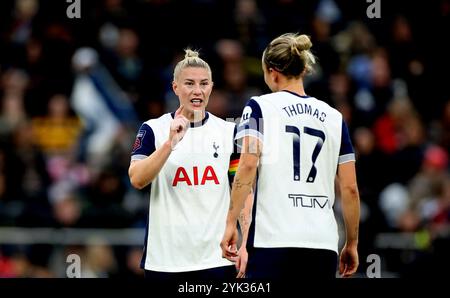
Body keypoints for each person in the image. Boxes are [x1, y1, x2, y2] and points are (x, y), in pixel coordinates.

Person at [220, 33, 361, 279]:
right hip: (322, 244)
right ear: (304, 69)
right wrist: (352, 244)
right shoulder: (335, 118)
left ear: (272, 72)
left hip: (273, 242)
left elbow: (247, 165)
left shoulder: (259, 106)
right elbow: (350, 189)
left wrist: (231, 222)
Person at [128, 49, 248, 279]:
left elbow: (242, 189)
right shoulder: (153, 129)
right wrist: (170, 143)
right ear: (175, 88)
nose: (197, 91)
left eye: (204, 84)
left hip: (217, 258)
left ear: (211, 87)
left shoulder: (229, 132)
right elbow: (137, 179)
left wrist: (246, 242)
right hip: (165, 261)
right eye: (189, 84)